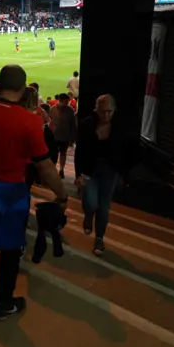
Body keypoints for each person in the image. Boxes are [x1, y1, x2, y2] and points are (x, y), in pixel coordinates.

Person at [0, 65, 68, 321]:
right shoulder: (29, 120)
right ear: (23, 89)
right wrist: (62, 194)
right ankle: (4, 303)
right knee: (12, 248)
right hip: (11, 192)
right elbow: (45, 167)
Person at [74, 94, 129, 256]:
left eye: (109, 112)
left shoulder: (119, 127)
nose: (106, 115)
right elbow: (80, 151)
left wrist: (123, 174)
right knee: (91, 202)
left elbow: (125, 152)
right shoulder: (87, 125)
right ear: (96, 110)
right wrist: (78, 174)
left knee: (104, 206)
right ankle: (88, 215)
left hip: (109, 171)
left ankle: (99, 238)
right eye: (102, 111)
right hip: (90, 169)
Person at [50, 93, 77, 178]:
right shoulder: (52, 109)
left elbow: (73, 124)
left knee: (63, 153)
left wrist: (72, 138)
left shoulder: (70, 110)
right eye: (66, 101)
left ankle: (61, 170)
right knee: (53, 154)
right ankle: (53, 170)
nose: (67, 103)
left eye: (68, 101)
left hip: (65, 136)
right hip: (54, 136)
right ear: (60, 100)